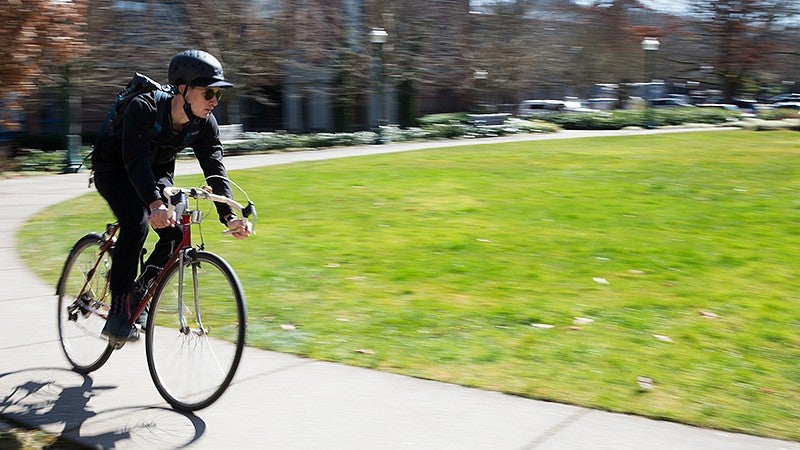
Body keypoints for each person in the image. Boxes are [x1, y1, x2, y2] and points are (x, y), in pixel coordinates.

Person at [91, 50, 251, 346]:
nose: (214, 101)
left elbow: (214, 167)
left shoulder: (204, 123)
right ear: (183, 89)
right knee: (136, 223)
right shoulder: (145, 107)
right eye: (209, 92)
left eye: (218, 94)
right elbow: (135, 161)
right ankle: (119, 310)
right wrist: (154, 204)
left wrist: (228, 214)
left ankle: (140, 291)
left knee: (177, 234)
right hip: (114, 167)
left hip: (155, 171)